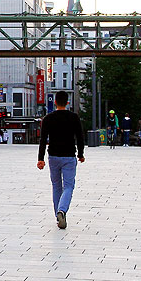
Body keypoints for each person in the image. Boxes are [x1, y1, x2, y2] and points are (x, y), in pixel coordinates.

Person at [37, 91, 85, 229]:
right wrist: (80, 154)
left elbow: (43, 140)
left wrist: (40, 159)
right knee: (68, 186)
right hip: (69, 156)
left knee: (56, 186)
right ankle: (62, 211)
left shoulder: (48, 118)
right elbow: (80, 138)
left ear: (55, 102)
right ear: (67, 102)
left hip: (53, 156)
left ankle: (58, 216)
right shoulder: (74, 117)